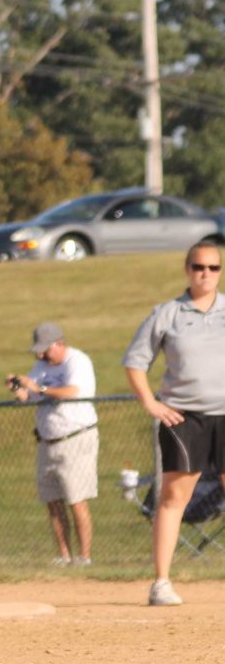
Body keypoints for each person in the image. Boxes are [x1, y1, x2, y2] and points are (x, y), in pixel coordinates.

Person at [122, 239, 225, 607]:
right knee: (173, 498)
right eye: (199, 267)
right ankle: (161, 582)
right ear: (187, 269)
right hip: (185, 417)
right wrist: (151, 402)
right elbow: (135, 361)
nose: (206, 274)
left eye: (214, 268)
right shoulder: (168, 313)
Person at [6, 322, 98, 567]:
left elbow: (73, 391)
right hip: (47, 440)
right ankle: (64, 556)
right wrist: (19, 388)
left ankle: (84, 557)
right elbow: (30, 394)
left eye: (45, 350)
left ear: (59, 343)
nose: (40, 355)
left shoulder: (77, 361)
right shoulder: (41, 366)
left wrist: (39, 387)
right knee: (52, 500)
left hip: (75, 438)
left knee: (76, 498)